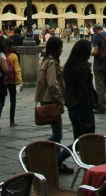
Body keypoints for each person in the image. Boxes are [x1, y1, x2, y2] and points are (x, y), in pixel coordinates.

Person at [34, 36, 73, 175]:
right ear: (56, 48)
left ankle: (56, 163)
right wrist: (60, 100)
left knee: (57, 135)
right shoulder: (51, 62)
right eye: (61, 47)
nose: (62, 50)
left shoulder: (46, 60)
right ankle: (33, 153)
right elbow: (52, 84)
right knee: (57, 135)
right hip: (51, 100)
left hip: (48, 99)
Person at [63, 39, 97, 141]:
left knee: (77, 141)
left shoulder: (68, 66)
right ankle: (59, 157)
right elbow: (84, 92)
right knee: (86, 142)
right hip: (82, 109)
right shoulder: (81, 69)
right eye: (88, 51)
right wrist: (88, 117)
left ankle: (59, 157)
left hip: (72, 108)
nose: (90, 53)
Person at [90, 24, 106, 114]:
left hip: (99, 64)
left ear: (95, 30)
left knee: (100, 86)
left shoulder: (96, 36)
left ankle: (102, 107)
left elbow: (95, 51)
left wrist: (90, 53)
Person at [4, 39, 23, 127]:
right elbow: (17, 70)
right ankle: (11, 121)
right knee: (13, 101)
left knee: (1, 101)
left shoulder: (1, 55)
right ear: (11, 47)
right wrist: (20, 82)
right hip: (12, 80)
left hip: (3, 81)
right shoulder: (14, 56)